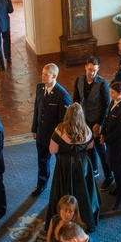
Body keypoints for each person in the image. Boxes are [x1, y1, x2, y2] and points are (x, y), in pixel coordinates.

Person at [48, 102, 101, 232]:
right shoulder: (87, 129)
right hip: (83, 164)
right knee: (83, 191)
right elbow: (90, 147)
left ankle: (65, 215)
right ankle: (85, 217)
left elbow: (52, 150)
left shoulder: (60, 130)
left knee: (66, 190)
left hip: (66, 165)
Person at [31, 64, 71, 197]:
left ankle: (64, 186)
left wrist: (58, 139)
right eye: (42, 73)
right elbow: (37, 109)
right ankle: (41, 184)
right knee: (42, 161)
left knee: (61, 162)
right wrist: (34, 128)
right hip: (41, 134)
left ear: (54, 76)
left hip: (54, 137)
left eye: (46, 74)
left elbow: (63, 122)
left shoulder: (62, 95)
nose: (43, 76)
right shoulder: (40, 87)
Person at [72, 57, 110, 182]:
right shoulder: (79, 80)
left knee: (100, 149)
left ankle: (109, 176)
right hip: (83, 120)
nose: (91, 73)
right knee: (88, 146)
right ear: (85, 67)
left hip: (97, 121)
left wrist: (99, 123)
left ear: (98, 70)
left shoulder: (102, 84)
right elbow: (76, 100)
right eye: (89, 69)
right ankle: (94, 168)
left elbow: (106, 106)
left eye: (94, 70)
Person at [100, 82, 121, 210]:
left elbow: (120, 130)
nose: (110, 94)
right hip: (109, 141)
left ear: (120, 94)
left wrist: (105, 139)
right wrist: (102, 132)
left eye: (113, 93)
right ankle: (119, 186)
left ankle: (120, 195)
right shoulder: (113, 102)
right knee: (110, 163)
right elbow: (107, 119)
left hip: (117, 143)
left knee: (118, 168)